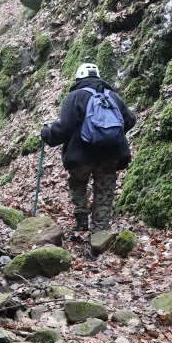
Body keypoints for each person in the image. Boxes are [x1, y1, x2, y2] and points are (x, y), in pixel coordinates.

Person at [40, 63, 136, 232]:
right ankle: (100, 232)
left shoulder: (75, 96)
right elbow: (130, 120)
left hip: (80, 156)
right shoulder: (113, 96)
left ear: (79, 79)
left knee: (78, 183)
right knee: (105, 191)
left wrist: (47, 134)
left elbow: (63, 127)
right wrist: (109, 135)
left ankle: (81, 219)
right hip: (110, 155)